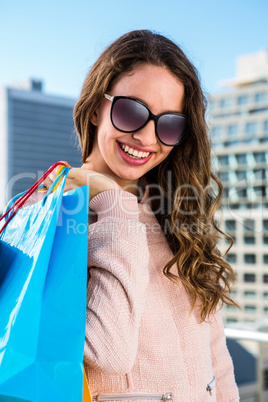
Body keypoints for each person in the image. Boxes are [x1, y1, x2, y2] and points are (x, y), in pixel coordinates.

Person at [43, 30, 240, 401]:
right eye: (131, 111)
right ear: (95, 108)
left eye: (169, 124)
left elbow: (217, 363)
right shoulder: (57, 212)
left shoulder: (178, 214)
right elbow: (108, 354)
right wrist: (113, 205)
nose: (148, 138)